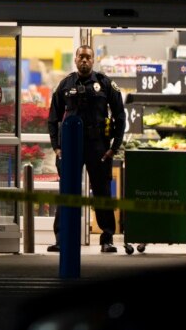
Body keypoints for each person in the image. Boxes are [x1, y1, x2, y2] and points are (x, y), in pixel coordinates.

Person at [46, 45, 126, 253]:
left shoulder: (105, 84)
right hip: (70, 147)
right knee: (67, 193)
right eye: (81, 57)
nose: (84, 60)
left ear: (93, 60)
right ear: (75, 60)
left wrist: (113, 148)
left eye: (88, 57)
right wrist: (57, 148)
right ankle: (62, 240)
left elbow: (120, 116)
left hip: (99, 146)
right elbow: (53, 118)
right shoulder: (65, 85)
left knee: (101, 193)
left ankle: (107, 239)